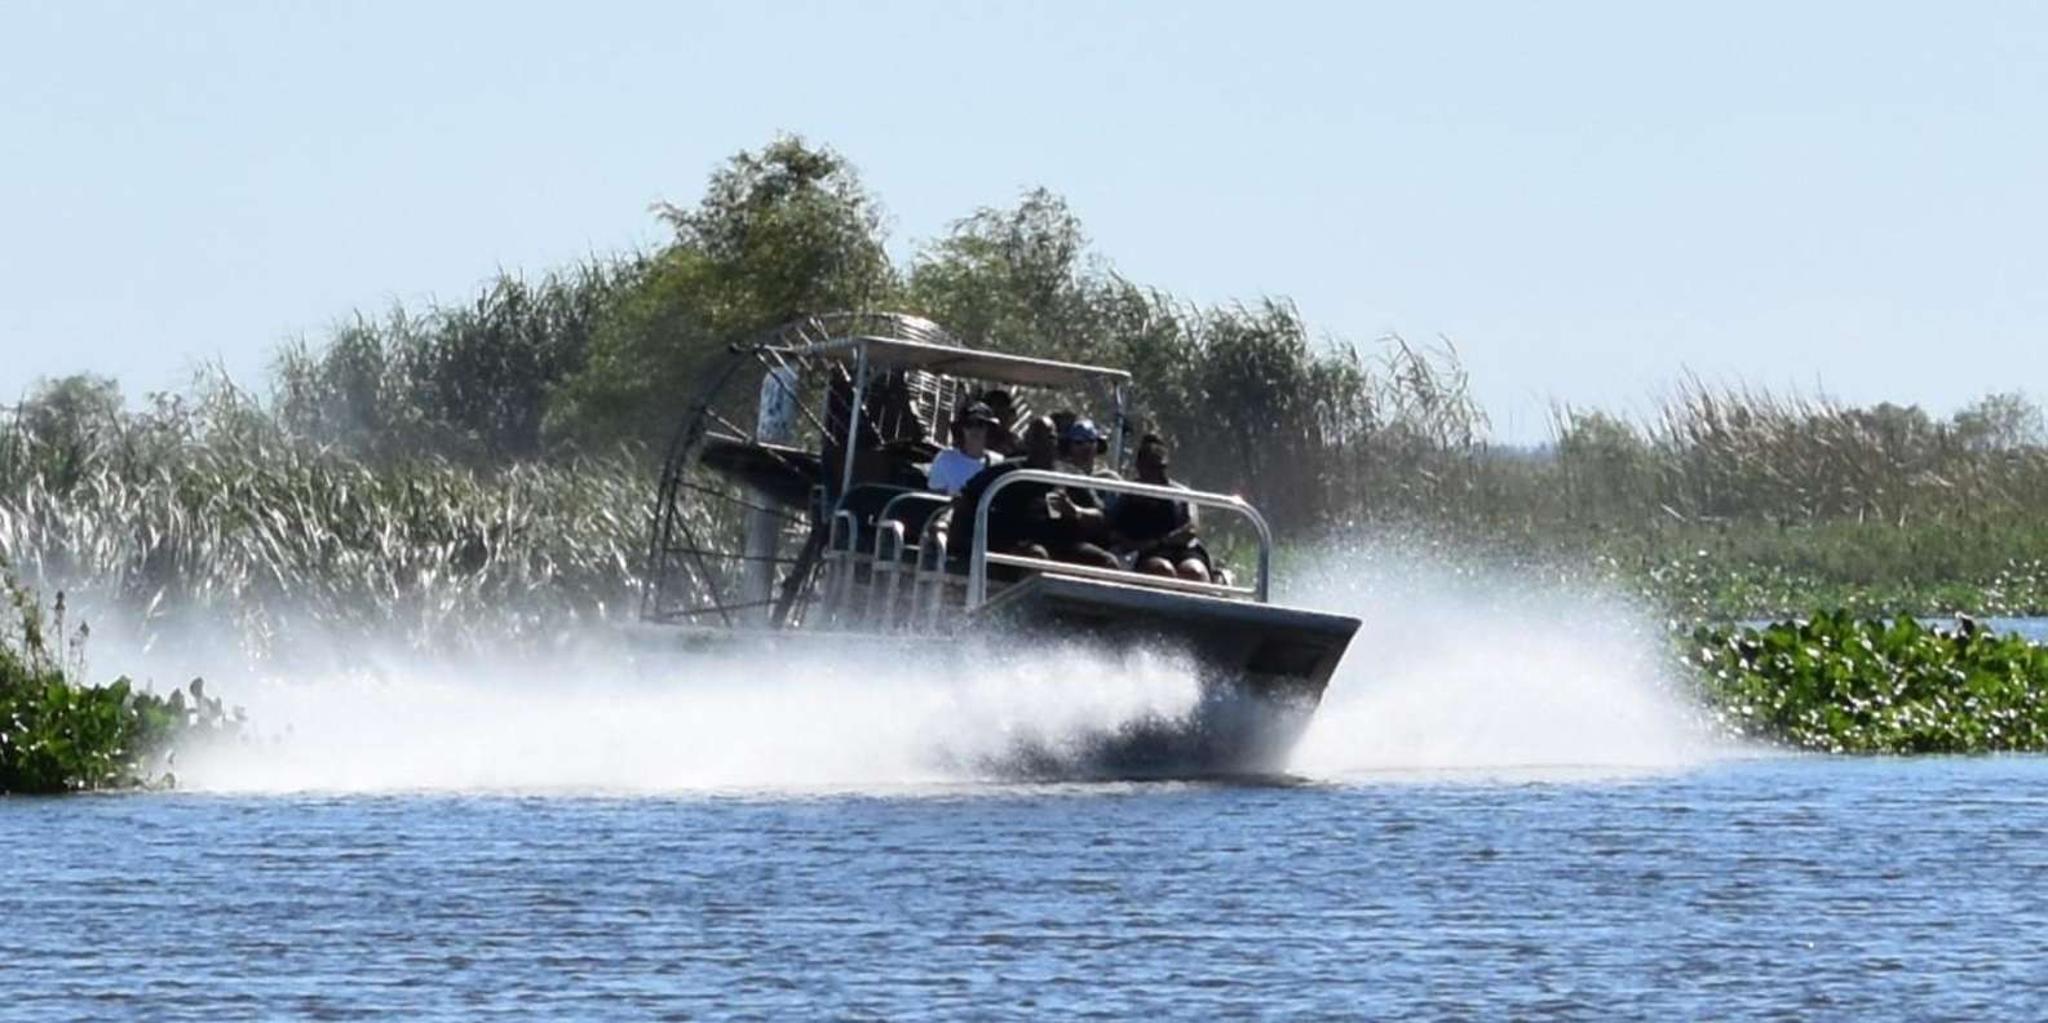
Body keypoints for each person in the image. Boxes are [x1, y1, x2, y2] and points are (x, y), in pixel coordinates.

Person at [944, 416, 1120, 571]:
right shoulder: (1008, 472)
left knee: (1108, 562)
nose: (1044, 444)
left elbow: (1100, 516)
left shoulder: (1070, 475)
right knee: (1037, 556)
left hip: (1064, 545)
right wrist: (950, 526)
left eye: (1049, 438)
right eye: (1037, 438)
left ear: (1056, 441)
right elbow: (965, 496)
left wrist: (1075, 511)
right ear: (1027, 441)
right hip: (1017, 544)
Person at [1110, 434, 1212, 582]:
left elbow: (1191, 529)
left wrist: (1162, 541)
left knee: (1194, 572)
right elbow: (1114, 533)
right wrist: (1139, 545)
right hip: (1148, 554)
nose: (1159, 474)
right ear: (1140, 467)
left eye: (1162, 467)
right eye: (1153, 468)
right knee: (1162, 570)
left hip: (1184, 550)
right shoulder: (1127, 496)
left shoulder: (1180, 493)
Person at [926, 402, 1002, 495]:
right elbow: (935, 500)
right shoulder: (945, 459)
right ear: (961, 428)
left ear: (989, 429)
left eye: (980, 424)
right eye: (969, 424)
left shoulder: (998, 463)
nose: (975, 429)